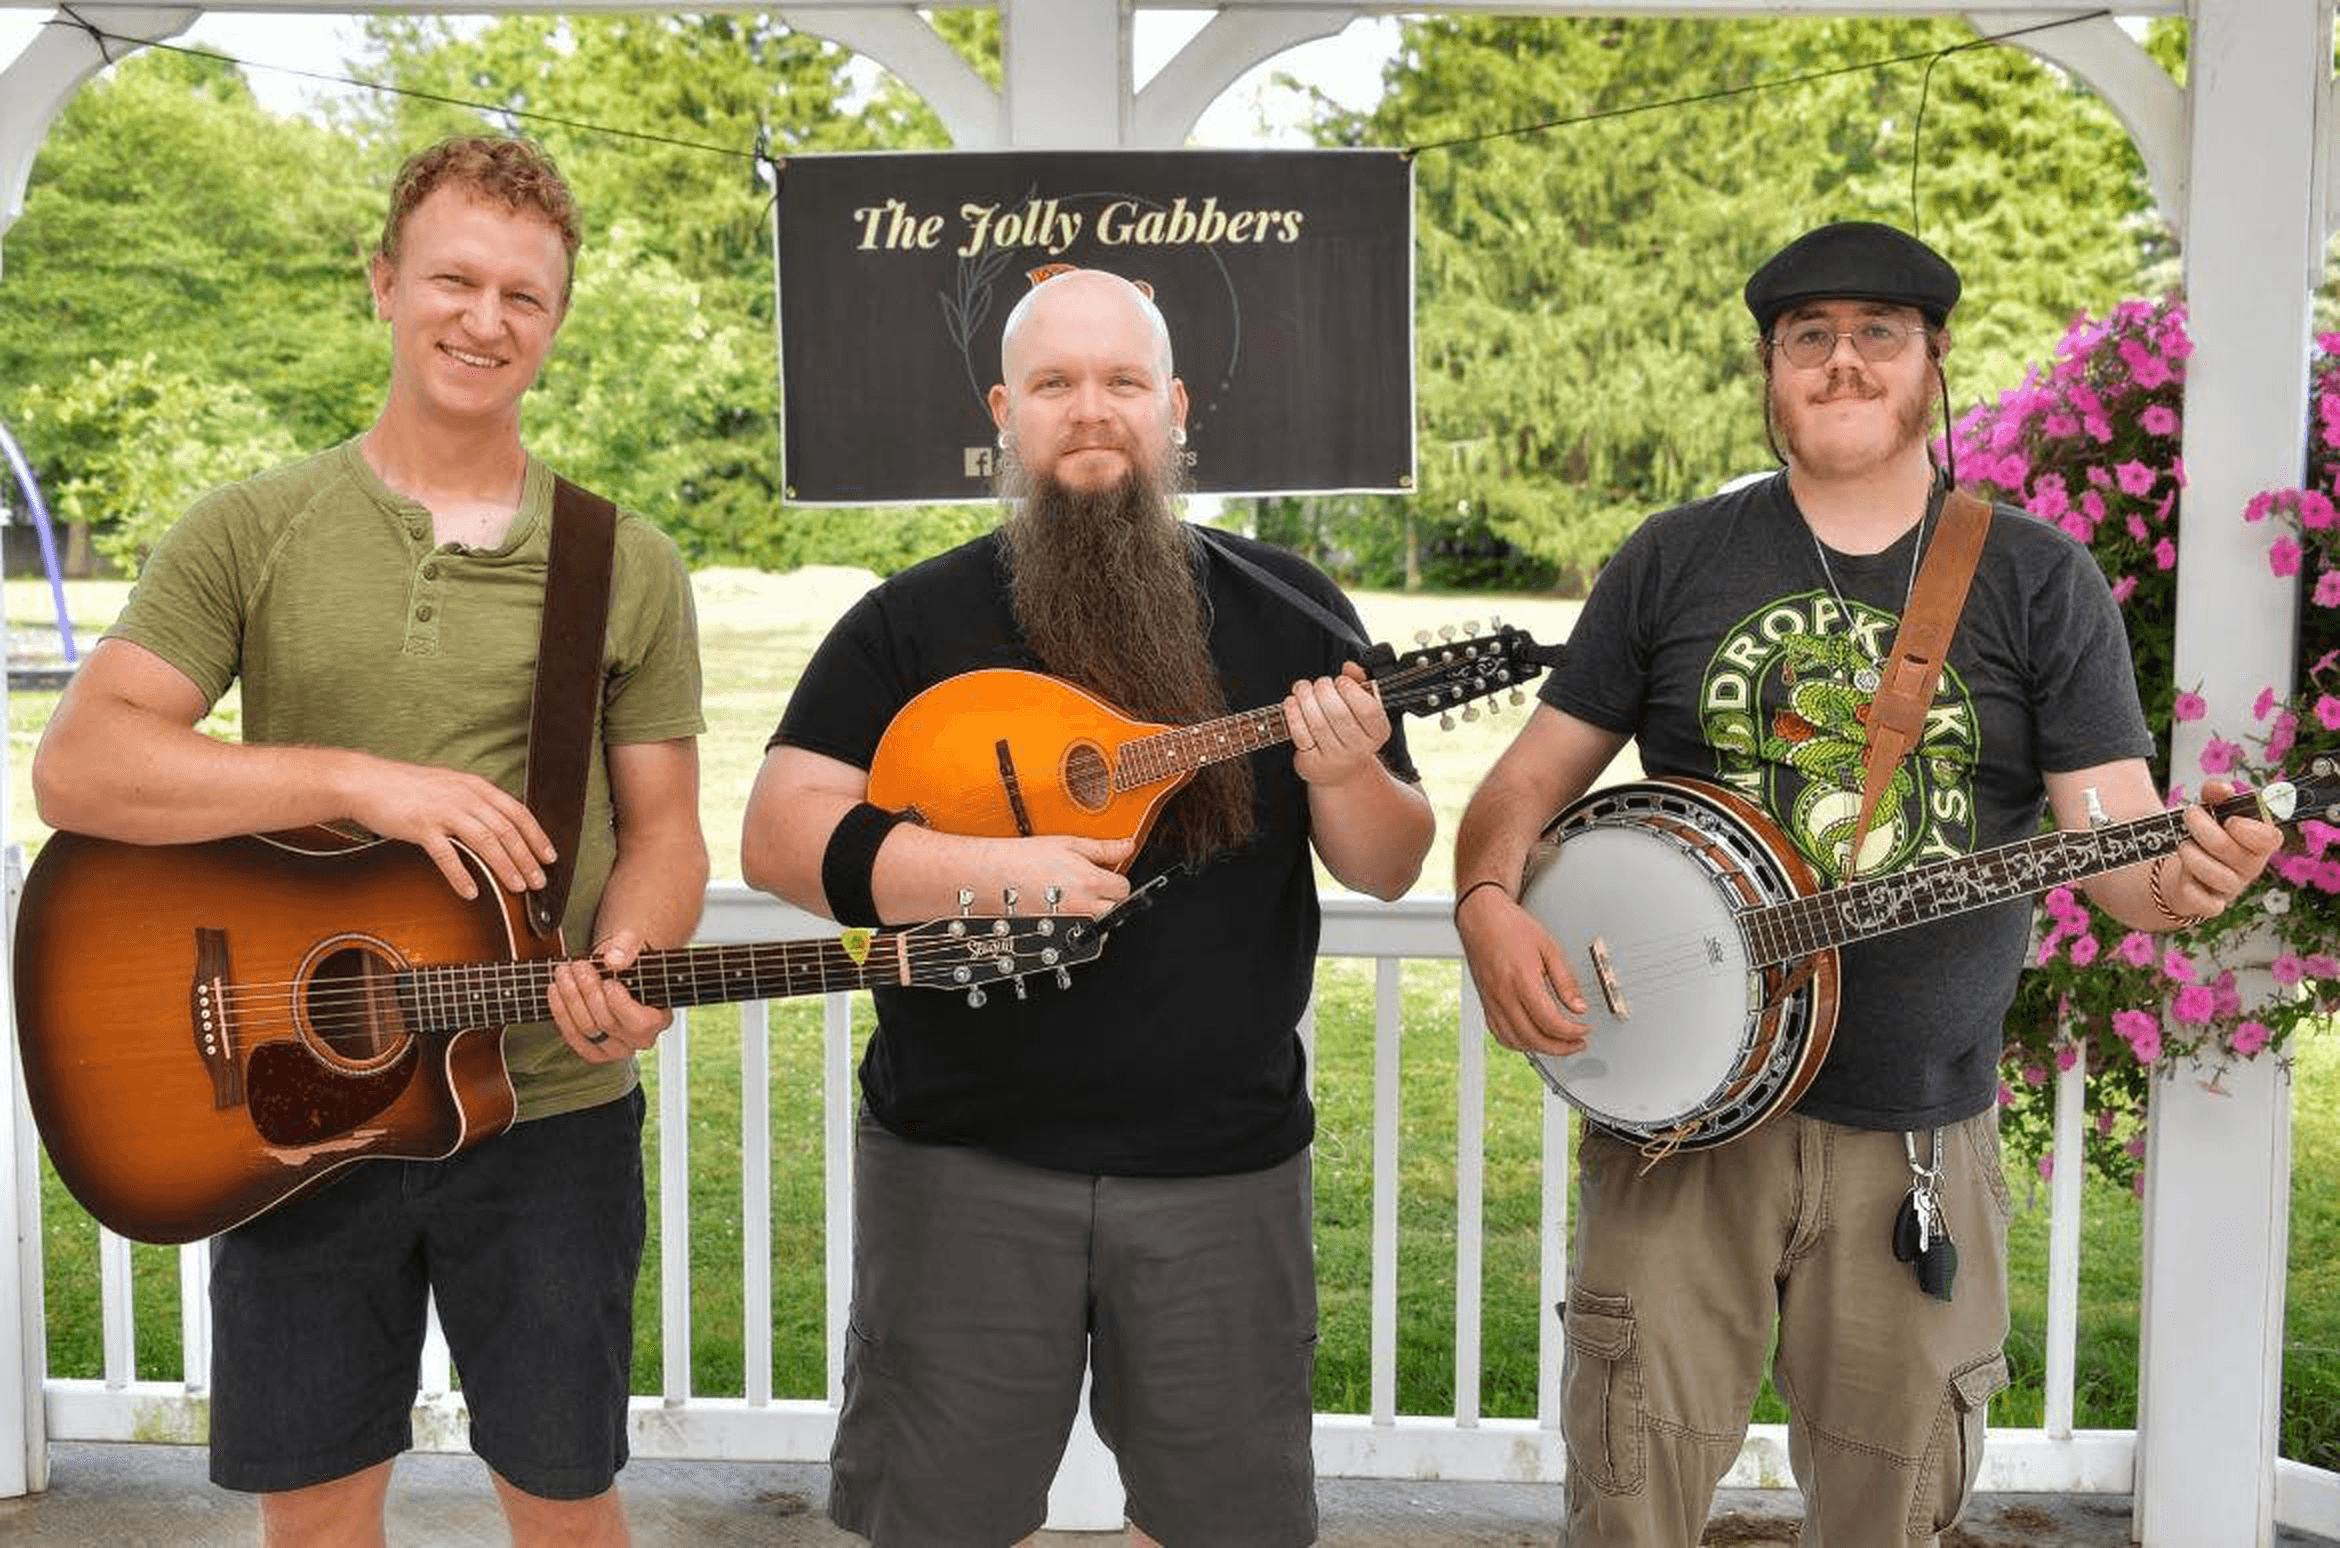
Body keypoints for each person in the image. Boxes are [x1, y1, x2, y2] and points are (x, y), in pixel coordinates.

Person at [1450, 221, 2284, 1545]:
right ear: (1769, 368)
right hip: (1680, 1130)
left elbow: (2123, 858)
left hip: (1915, 1144)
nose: (1843, 363)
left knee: (1891, 1516)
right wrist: (1489, 908)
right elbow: (1517, 793)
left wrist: (2200, 882)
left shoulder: (2034, 580)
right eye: (1809, 338)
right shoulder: (1673, 560)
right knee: (1631, 1503)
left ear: (1934, 361)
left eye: (1878, 334)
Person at [29, 135, 707, 1546]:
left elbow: (666, 834)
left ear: (557, 323)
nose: (486, 319)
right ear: (384, 285)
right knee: (319, 1519)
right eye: (454, 279)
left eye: (525, 295)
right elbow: (82, 766)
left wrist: (634, 962)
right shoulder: (250, 530)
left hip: (546, 1115)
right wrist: (362, 780)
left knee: (569, 1509)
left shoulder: (624, 563)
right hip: (289, 1101)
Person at [740, 266, 1435, 1547]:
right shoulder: (911, 620)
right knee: (936, 1518)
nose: (1091, 410)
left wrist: (1346, 771)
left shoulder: (1292, 609)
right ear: (1006, 414)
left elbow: (1389, 863)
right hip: (960, 1166)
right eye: (1055, 384)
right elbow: (780, 831)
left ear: (1173, 409)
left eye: (1121, 381)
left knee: (1226, 1521)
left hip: (1223, 1172)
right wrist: (973, 873)